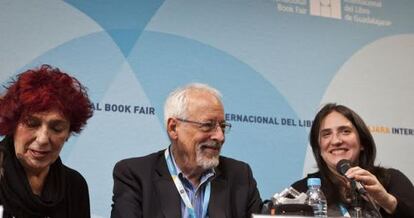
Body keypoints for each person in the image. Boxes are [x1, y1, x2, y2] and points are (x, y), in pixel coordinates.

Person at [111, 83, 262, 218]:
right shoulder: (135, 175)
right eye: (207, 125)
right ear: (173, 128)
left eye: (222, 126)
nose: (220, 136)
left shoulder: (240, 176)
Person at [0, 65, 93, 218]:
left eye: (57, 128)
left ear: (69, 133)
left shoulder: (74, 185)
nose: (43, 139)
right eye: (31, 124)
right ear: (13, 124)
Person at [291, 103, 414, 217]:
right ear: (319, 147)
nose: (336, 141)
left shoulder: (392, 180)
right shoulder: (302, 190)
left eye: (345, 131)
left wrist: (387, 201)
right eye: (326, 134)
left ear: (362, 142)